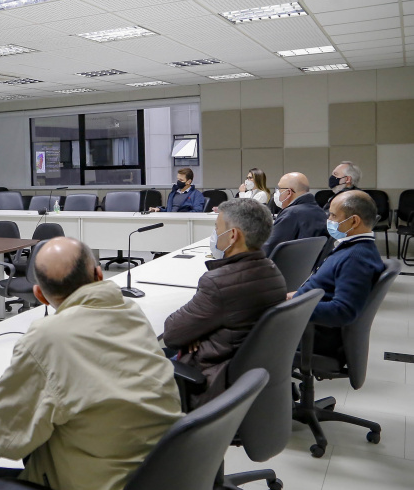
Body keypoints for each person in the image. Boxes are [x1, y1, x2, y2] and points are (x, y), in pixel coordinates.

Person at [0, 237, 181, 490]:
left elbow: (7, 441)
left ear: (39, 295)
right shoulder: (130, 310)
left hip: (104, 486)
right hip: (164, 474)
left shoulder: (46, 336)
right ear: (100, 274)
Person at [163, 199, 286, 404]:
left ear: (233, 235)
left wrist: (195, 333)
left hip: (212, 378)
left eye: (216, 228)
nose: (214, 234)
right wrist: (197, 330)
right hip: (242, 370)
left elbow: (171, 334)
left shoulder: (218, 282)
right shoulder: (272, 270)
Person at [289, 190, 385, 363]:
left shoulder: (356, 258)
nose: (329, 220)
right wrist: (296, 297)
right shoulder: (353, 247)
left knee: (243, 332)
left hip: (313, 335)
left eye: (333, 215)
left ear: (354, 221)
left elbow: (343, 311)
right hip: (305, 324)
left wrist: (294, 305)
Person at [261, 172, 328, 257]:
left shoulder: (291, 214)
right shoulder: (320, 212)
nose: (276, 193)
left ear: (289, 193)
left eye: (279, 189)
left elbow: (267, 249)